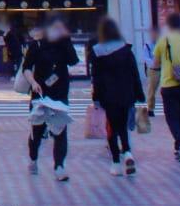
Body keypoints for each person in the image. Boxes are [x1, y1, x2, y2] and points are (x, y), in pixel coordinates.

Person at [20, 14, 78, 182]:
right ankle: (33, 158)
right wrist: (33, 82)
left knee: (60, 130)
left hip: (60, 94)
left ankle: (59, 166)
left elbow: (73, 61)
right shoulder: (37, 45)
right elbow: (27, 68)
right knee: (37, 131)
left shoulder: (64, 44)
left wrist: (67, 41)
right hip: (40, 93)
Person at [89, 17, 145, 177]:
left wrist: (96, 96)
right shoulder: (126, 50)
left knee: (112, 127)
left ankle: (115, 161)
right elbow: (135, 74)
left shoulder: (97, 52)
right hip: (127, 94)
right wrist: (139, 94)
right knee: (123, 125)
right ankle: (127, 152)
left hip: (108, 95)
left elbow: (96, 77)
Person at [147, 13, 180, 163]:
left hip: (169, 84)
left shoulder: (163, 42)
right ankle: (179, 147)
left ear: (169, 26)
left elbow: (156, 64)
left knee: (172, 118)